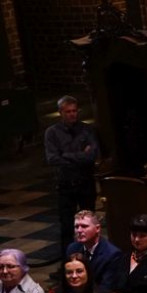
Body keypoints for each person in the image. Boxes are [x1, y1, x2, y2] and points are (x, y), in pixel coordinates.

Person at [44, 96, 99, 254]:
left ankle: (91, 258)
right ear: (61, 112)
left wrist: (67, 155)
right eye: (68, 112)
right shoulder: (52, 133)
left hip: (85, 182)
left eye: (74, 111)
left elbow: (92, 155)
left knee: (89, 223)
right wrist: (80, 155)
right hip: (66, 184)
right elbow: (53, 158)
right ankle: (68, 262)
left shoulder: (87, 129)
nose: (72, 114)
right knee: (67, 226)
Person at [66, 210, 126, 293]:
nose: (79, 230)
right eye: (76, 227)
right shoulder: (72, 248)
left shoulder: (112, 255)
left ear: (97, 228)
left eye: (84, 226)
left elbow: (106, 289)